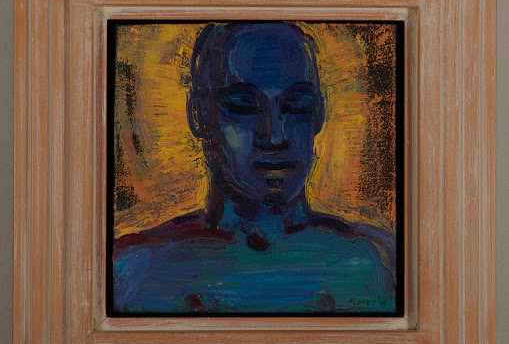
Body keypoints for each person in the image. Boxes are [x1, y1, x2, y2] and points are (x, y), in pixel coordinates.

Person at [112, 22, 396, 314]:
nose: (274, 136)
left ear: (319, 114)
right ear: (198, 114)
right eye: (243, 106)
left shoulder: (377, 261)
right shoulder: (135, 270)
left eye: (297, 105)